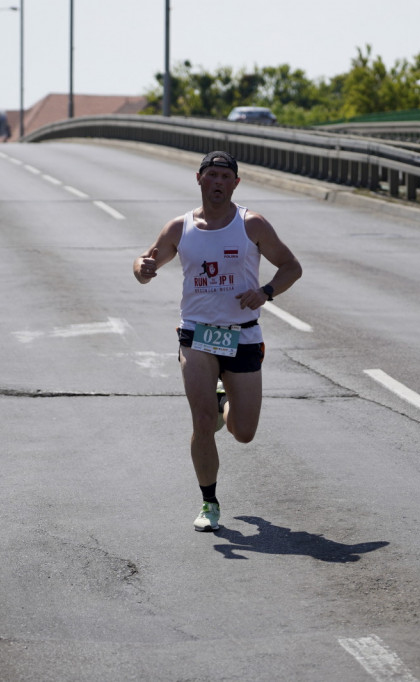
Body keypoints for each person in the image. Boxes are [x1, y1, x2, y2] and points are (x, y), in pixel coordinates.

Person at [133, 151, 302, 532]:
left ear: (236, 183)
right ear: (199, 179)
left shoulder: (251, 224)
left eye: (226, 176)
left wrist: (267, 291)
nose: (219, 182)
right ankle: (209, 502)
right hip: (196, 334)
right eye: (212, 175)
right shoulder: (180, 228)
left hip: (242, 334)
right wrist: (142, 268)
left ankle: (224, 400)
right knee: (202, 420)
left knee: (244, 433)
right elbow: (146, 264)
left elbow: (292, 267)